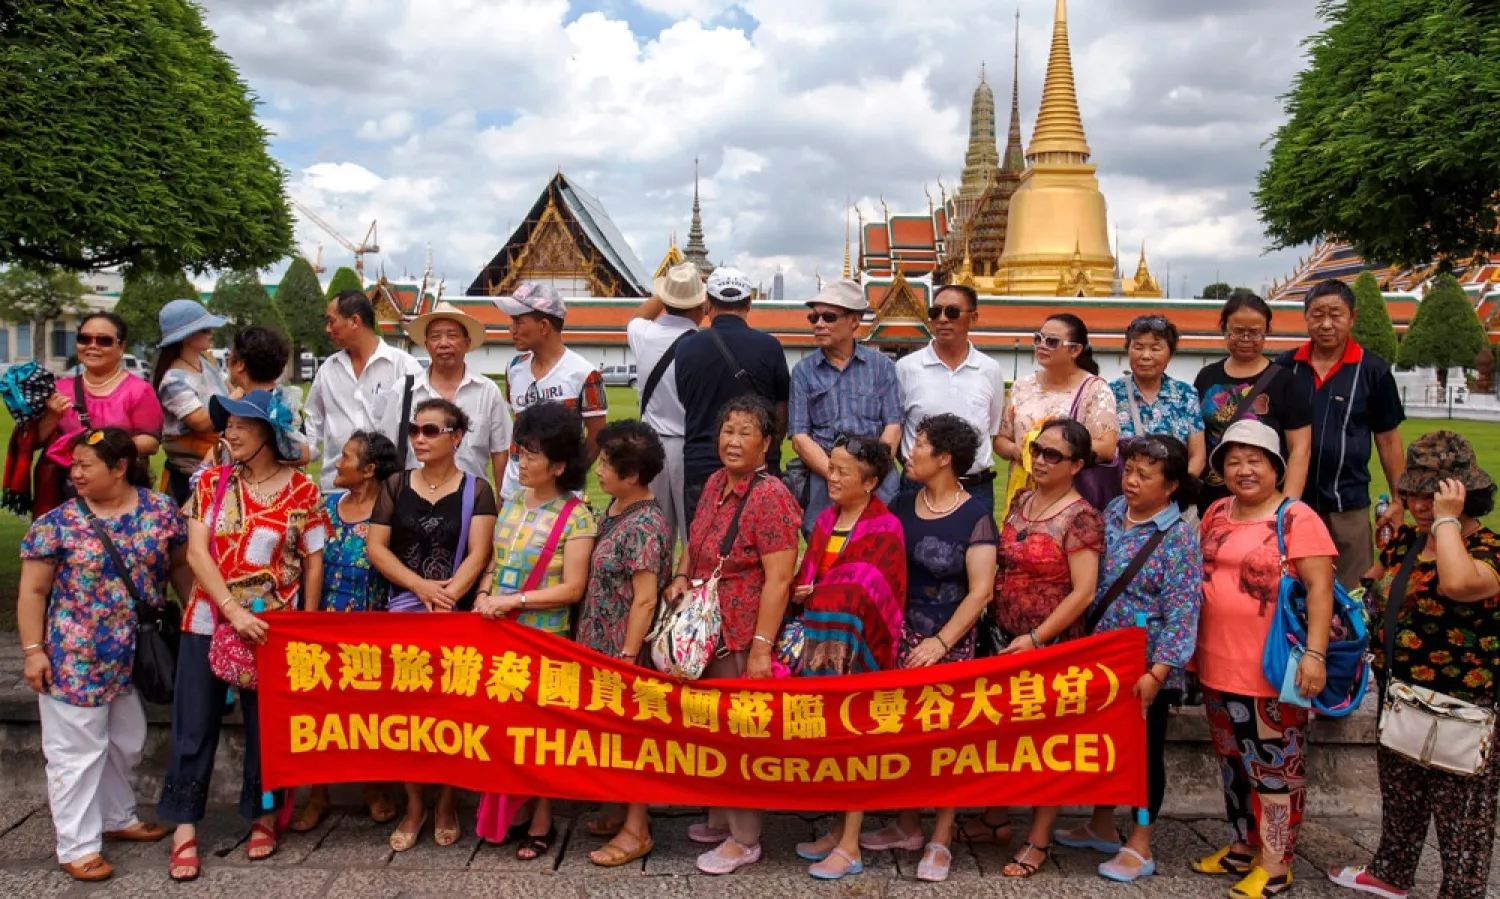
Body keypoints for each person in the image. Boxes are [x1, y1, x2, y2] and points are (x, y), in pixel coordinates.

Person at [160, 389, 328, 881]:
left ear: (269, 434)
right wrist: (232, 609)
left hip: (274, 629)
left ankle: (263, 816)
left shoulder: (303, 491)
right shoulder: (210, 483)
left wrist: (307, 625)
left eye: (240, 425)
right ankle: (184, 829)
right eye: (227, 424)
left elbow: (313, 562)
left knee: (267, 731)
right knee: (194, 725)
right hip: (209, 621)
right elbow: (196, 555)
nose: (228, 433)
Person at [1329, 431, 1500, 899]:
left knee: (1461, 814)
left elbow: (1459, 584)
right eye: (1414, 493)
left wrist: (1446, 523)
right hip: (1400, 692)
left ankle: (1461, 892)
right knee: (1401, 795)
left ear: (1463, 493)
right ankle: (1391, 871)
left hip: (1462, 704)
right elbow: (1375, 580)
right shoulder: (1407, 540)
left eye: (1434, 495)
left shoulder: (1488, 550)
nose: (1421, 505)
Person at [17, 429, 189, 881]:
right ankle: (77, 844)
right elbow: (33, 592)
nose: (74, 473)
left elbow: (180, 570)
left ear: (120, 468)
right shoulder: (55, 525)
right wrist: (35, 652)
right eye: (73, 465)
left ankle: (117, 817)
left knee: (126, 742)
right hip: (75, 657)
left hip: (133, 655)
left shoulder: (160, 512)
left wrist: (195, 624)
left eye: (84, 465)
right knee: (76, 752)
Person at [1191, 418, 1335, 899]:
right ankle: (1243, 846)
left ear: (1275, 467)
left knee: (1273, 766)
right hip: (1216, 663)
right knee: (1233, 762)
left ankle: (1277, 864)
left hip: (1270, 671)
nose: (1244, 470)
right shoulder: (1215, 512)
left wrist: (1315, 654)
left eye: (1255, 461)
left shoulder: (1296, 518)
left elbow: (1320, 590)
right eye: (1233, 461)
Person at [1053, 434, 1202, 883]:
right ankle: (1101, 823)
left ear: (1171, 485)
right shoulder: (1114, 512)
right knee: (1107, 745)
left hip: (1143, 664)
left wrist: (1158, 672)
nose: (1131, 481)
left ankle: (1140, 844)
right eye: (1130, 471)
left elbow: (1182, 613)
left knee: (1143, 753)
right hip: (1101, 656)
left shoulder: (1178, 540)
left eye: (1145, 475)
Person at [860, 414, 997, 883]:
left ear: (944, 459)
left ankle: (941, 837)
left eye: (919, 445)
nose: (910, 452)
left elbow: (980, 592)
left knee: (946, 742)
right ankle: (905, 824)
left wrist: (941, 643)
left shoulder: (975, 515)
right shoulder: (900, 503)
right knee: (899, 735)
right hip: (897, 638)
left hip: (949, 643)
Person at [668, 394, 800, 876]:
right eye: (728, 430)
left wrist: (762, 647)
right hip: (706, 626)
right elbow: (696, 540)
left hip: (742, 632)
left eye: (746, 432)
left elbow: (780, 578)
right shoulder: (715, 482)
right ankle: (724, 815)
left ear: (767, 443)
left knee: (741, 734)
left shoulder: (769, 495)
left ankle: (746, 839)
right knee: (713, 728)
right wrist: (682, 574)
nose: (734, 440)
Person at [366, 399, 498, 852]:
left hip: (455, 618)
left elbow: (480, 553)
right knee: (406, 720)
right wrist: (421, 588)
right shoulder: (395, 485)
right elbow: (377, 548)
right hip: (404, 612)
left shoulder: (477, 490)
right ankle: (415, 804)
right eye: (414, 430)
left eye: (430, 430)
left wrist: (447, 597)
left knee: (453, 718)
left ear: (456, 436)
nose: (419, 438)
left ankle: (446, 803)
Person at [473, 401, 596, 860]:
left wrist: (513, 601)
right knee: (502, 730)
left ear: (559, 466)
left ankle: (542, 817)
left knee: (539, 734)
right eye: (520, 451)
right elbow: (495, 561)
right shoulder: (512, 504)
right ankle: (512, 811)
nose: (520, 462)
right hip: (499, 633)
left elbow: (572, 587)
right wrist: (487, 590)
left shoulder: (577, 516)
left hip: (544, 640)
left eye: (531, 455)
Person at [984, 417, 1104, 879]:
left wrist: (1037, 638)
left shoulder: (1081, 517)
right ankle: (995, 818)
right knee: (1001, 733)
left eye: (1053, 454)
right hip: (1002, 637)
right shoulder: (1020, 500)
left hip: (1049, 644)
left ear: (1076, 464)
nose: (1040, 460)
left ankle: (1038, 839)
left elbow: (1084, 591)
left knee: (1047, 744)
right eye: (1037, 449)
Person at [789, 434, 907, 881]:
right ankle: (837, 830)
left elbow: (878, 592)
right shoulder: (824, 521)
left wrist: (825, 592)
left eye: (842, 471)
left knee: (856, 745)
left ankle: (852, 844)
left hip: (861, 658)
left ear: (871, 481)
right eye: (831, 468)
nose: (832, 477)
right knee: (831, 745)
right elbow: (814, 576)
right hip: (821, 653)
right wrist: (807, 590)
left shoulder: (885, 527)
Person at [288, 430, 402, 834]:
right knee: (319, 715)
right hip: (324, 624)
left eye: (348, 457)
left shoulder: (390, 514)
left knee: (371, 715)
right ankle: (318, 794)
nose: (337, 462)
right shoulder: (326, 507)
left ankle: (375, 788)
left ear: (369, 470)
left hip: (371, 630)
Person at [575, 421, 673, 868]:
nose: (597, 469)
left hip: (623, 648)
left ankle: (638, 827)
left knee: (633, 738)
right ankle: (618, 807)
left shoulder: (646, 524)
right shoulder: (615, 508)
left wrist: (629, 657)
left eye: (606, 463)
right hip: (599, 641)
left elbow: (646, 596)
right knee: (610, 735)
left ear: (632, 475)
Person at [1275, 279, 1407, 590]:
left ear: (1353, 317)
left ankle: (1352, 641)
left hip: (1349, 502)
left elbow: (1388, 440)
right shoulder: (1285, 367)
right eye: (1317, 314)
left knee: (1354, 593)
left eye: (1336, 314)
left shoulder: (1372, 370)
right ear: (1306, 316)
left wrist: (1400, 499)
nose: (1326, 324)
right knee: (1292, 587)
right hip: (1292, 502)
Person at [676, 267, 791, 523]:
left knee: (705, 542)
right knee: (759, 542)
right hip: (757, 461)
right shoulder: (769, 347)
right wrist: (769, 446)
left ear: (707, 304)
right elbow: (782, 406)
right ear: (749, 303)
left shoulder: (686, 348)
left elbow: (685, 399)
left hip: (702, 462)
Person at [789, 280, 902, 536]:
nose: (819, 324)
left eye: (828, 317)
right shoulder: (803, 372)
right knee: (824, 548)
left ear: (854, 321)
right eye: (814, 317)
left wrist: (869, 474)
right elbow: (799, 437)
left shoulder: (881, 366)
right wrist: (837, 474)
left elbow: (893, 426)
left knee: (876, 546)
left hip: (875, 480)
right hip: (824, 479)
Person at [32, 313, 163, 517]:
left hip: (119, 493)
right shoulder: (60, 389)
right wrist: (52, 417)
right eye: (85, 339)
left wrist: (101, 451)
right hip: (70, 495)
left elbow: (151, 442)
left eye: (103, 340)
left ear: (121, 347)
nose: (92, 346)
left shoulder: (138, 391)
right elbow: (37, 441)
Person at [1195, 289, 1312, 514]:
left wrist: (1286, 508)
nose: (1246, 340)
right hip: (1212, 501)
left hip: (1266, 502)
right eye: (1238, 332)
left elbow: (1300, 448)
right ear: (1224, 329)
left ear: (1266, 332)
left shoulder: (1286, 381)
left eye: (1255, 333)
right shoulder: (1206, 377)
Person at [894, 284, 1006, 510]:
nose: (942, 319)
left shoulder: (989, 369)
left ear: (973, 318)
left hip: (975, 488)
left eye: (952, 312)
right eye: (935, 312)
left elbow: (990, 428)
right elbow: (897, 429)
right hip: (919, 487)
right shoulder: (906, 368)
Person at [996, 313, 1119, 515]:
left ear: (1076, 350)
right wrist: (1020, 451)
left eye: (1052, 342)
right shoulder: (1022, 387)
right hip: (1023, 492)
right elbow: (1002, 439)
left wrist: (1053, 451)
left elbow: (1106, 447)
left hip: (1069, 496)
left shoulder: (1094, 390)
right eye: (1038, 339)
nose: (1042, 346)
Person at [494, 282, 607, 501]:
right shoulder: (514, 368)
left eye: (518, 321)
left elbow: (596, 438)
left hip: (560, 495)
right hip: (515, 489)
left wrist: (566, 476)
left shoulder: (584, 373)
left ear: (544, 326)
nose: (512, 330)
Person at [305, 288, 423, 492]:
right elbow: (313, 423)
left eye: (331, 321)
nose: (327, 329)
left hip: (388, 489)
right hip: (337, 488)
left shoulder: (404, 368)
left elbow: (420, 429)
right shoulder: (328, 370)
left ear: (354, 321)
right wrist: (302, 452)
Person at [389, 301, 511, 483]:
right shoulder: (404, 390)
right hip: (413, 498)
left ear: (467, 343)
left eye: (452, 336)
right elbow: (389, 450)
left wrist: (501, 502)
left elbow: (501, 451)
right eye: (435, 337)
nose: (443, 343)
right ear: (426, 344)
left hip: (470, 499)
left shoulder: (487, 391)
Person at [628, 261, 705, 545]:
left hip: (651, 445)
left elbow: (638, 316)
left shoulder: (643, 334)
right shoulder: (704, 344)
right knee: (694, 537)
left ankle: (653, 589)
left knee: (655, 536)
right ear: (701, 307)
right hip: (691, 446)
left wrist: (671, 286)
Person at [152, 299, 229, 504]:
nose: (210, 333)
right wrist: (235, 399)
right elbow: (201, 422)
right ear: (186, 337)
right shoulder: (173, 380)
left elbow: (227, 388)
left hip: (220, 464)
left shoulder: (206, 362)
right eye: (205, 329)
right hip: (189, 475)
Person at [1110, 315, 1205, 477]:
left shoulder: (1185, 394)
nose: (1146, 356)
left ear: (1170, 354)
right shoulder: (1109, 393)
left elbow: (1197, 456)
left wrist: (1176, 488)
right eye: (1138, 347)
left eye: (1155, 349)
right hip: (1123, 493)